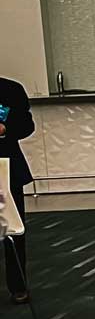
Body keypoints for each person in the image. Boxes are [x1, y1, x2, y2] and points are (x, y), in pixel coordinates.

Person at [0, 76, 34, 305]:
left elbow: (27, 125)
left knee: (12, 229)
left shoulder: (10, 90)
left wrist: (5, 128)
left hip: (6, 169)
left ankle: (18, 286)